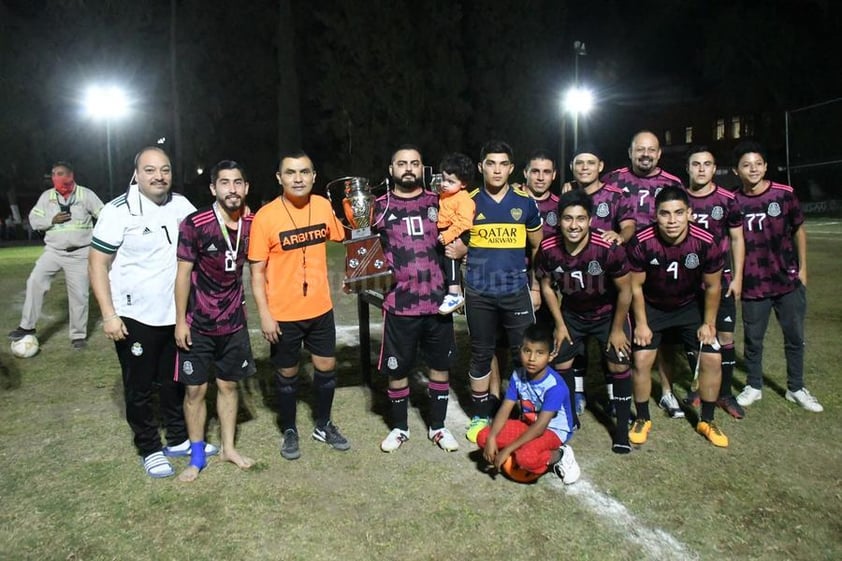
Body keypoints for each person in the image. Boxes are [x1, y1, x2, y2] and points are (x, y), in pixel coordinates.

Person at [89, 147, 214, 479]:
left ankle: (176, 439)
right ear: (137, 173)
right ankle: (148, 447)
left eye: (165, 169)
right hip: (135, 316)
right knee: (140, 386)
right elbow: (97, 265)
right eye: (150, 170)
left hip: (175, 313)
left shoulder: (182, 205)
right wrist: (109, 314)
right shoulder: (117, 211)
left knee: (174, 380)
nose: (159, 176)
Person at [249, 150, 350, 461]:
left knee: (326, 367)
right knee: (288, 373)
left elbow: (345, 237)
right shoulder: (265, 216)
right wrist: (265, 314)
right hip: (283, 313)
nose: (298, 178)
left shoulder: (321, 205)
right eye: (290, 173)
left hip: (320, 308)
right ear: (279, 178)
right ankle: (290, 428)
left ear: (314, 176)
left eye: (304, 172)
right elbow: (256, 273)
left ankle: (323, 424)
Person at [445, 140, 543, 442]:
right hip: (479, 293)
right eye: (491, 163)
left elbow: (538, 245)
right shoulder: (469, 202)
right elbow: (454, 246)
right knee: (480, 354)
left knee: (523, 355)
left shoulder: (525, 202)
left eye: (503, 164)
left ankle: (526, 413)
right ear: (481, 167)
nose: (497, 169)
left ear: (511, 169)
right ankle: (480, 415)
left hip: (516, 292)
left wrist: (536, 285)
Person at [626, 186, 728, 447]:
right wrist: (641, 323)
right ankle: (642, 417)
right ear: (655, 215)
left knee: (712, 358)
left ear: (690, 214)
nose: (672, 221)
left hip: (688, 306)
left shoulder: (706, 240)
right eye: (665, 214)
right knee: (641, 357)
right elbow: (635, 286)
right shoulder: (642, 241)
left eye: (679, 213)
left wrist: (708, 323)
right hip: (652, 305)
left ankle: (707, 420)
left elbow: (714, 286)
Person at [174, 160, 256, 482]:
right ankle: (196, 458)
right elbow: (182, 275)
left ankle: (228, 449)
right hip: (199, 322)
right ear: (213, 188)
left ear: (246, 188)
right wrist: (180, 321)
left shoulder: (253, 223)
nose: (232, 189)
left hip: (234, 321)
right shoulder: (195, 223)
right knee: (195, 391)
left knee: (229, 385)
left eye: (238, 182)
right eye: (225, 183)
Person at [374, 145, 460, 453]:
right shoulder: (377, 206)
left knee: (440, 366)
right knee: (397, 369)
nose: (408, 168)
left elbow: (458, 237)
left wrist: (462, 249)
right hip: (399, 303)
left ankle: (437, 427)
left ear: (422, 168)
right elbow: (360, 246)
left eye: (414, 163)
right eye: (401, 164)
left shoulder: (440, 202)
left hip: (438, 302)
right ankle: (399, 428)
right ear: (391, 169)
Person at [535, 190, 634, 453]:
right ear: (559, 220)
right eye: (568, 219)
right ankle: (570, 417)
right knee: (561, 361)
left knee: (618, 362)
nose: (574, 225)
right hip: (572, 314)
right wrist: (560, 324)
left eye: (580, 218)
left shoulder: (608, 249)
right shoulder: (548, 248)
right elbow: (546, 286)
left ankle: (622, 430)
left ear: (590, 220)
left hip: (607, 313)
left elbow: (626, 290)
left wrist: (616, 330)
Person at [732, 141, 822, 413]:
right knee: (753, 339)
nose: (753, 169)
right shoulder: (733, 201)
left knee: (794, 337)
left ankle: (796, 388)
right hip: (753, 282)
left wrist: (803, 268)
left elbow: (799, 230)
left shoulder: (784, 194)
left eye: (758, 164)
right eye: (747, 165)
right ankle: (754, 385)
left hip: (787, 281)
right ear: (737, 171)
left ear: (766, 166)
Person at [603, 131, 687, 419]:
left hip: (661, 266)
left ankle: (666, 391)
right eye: (640, 149)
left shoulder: (673, 183)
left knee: (667, 333)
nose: (645, 154)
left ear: (659, 153)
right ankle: (615, 388)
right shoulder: (613, 179)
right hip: (622, 266)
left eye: (651, 150)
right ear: (630, 151)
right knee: (618, 326)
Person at [562, 146, 636, 413]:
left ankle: (613, 393)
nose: (584, 167)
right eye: (579, 162)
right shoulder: (567, 194)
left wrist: (620, 237)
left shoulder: (615, 195)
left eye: (590, 163)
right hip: (576, 281)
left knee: (612, 343)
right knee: (577, 343)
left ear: (600, 166)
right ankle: (578, 392)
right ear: (572, 167)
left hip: (608, 281)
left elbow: (629, 224)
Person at [8, 161, 103, 349]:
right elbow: (34, 220)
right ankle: (26, 327)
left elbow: (104, 215)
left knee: (79, 295)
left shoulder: (86, 194)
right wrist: (51, 220)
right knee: (35, 281)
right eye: (53, 174)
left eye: (60, 173)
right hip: (53, 251)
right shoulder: (47, 196)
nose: (56, 178)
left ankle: (78, 336)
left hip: (80, 253)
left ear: (71, 175)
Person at [682, 146, 746, 419]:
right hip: (688, 281)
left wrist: (738, 276)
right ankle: (699, 387)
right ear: (688, 168)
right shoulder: (680, 199)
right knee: (695, 334)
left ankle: (725, 392)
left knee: (726, 336)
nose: (701, 169)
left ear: (713, 167)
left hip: (721, 279)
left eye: (706, 164)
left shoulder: (727, 199)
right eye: (696, 164)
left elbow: (737, 239)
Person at [476, 323, 580, 484]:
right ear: (520, 350)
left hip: (552, 431)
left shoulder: (555, 387)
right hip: (528, 424)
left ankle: (559, 454)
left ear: (551, 356)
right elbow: (505, 408)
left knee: (526, 458)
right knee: (483, 437)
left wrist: (508, 450)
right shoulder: (518, 375)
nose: (532, 359)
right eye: (527, 351)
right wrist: (491, 438)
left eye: (540, 353)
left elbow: (540, 428)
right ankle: (520, 447)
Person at [436, 152, 475, 315]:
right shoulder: (446, 194)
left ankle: (454, 293)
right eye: (444, 179)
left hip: (458, 233)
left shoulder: (464, 199)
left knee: (450, 254)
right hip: (448, 231)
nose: (445, 184)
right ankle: (452, 290)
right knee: (444, 259)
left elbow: (465, 222)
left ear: (463, 183)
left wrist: (448, 235)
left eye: (451, 181)